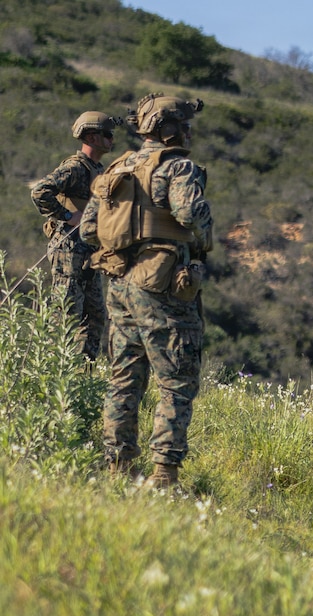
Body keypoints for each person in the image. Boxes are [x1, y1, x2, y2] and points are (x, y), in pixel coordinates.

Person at [81, 93, 213, 487]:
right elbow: (190, 213)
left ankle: (119, 467)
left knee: (124, 377)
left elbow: (88, 230)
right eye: (185, 126)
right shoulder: (178, 167)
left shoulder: (117, 167)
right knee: (177, 380)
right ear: (168, 129)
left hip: (119, 285)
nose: (189, 133)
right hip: (162, 286)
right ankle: (164, 475)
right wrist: (200, 230)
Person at [30, 111, 118, 360]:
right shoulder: (75, 168)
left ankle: (84, 373)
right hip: (69, 252)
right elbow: (40, 192)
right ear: (91, 137)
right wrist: (68, 216)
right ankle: (53, 370)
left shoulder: (97, 170)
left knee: (95, 317)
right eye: (107, 134)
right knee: (66, 316)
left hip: (90, 254)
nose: (111, 140)